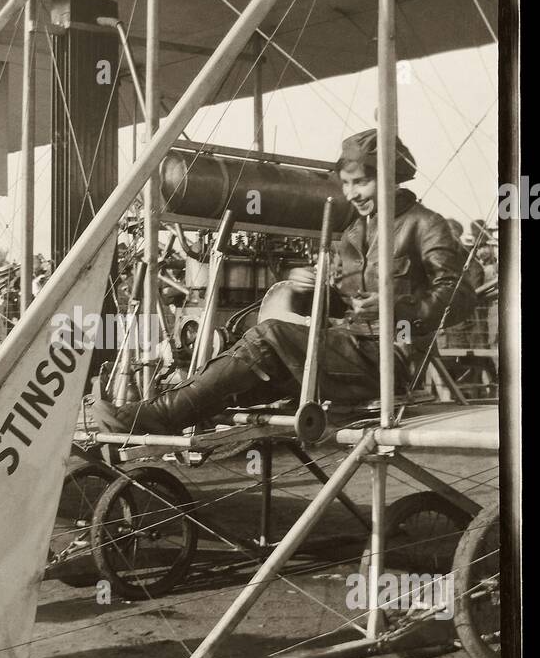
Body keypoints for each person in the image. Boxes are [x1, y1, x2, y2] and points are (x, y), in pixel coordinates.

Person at [88, 129, 478, 435]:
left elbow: (460, 296)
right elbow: (345, 303)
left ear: (390, 179)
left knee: (268, 335)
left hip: (389, 361)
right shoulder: (356, 233)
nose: (350, 194)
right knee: (247, 366)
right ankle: (165, 415)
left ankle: (158, 416)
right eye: (346, 184)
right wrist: (311, 290)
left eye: (360, 183)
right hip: (351, 352)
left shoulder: (426, 225)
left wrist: (399, 308)